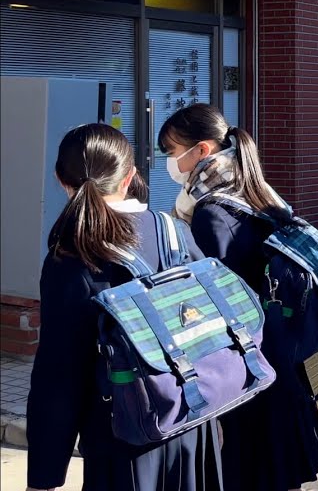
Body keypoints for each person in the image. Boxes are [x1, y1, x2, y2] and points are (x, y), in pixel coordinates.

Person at [27, 123, 223, 491]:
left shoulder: (72, 256)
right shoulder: (172, 231)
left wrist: (44, 476)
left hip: (124, 440)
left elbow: (59, 376)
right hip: (193, 424)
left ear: (59, 179)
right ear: (130, 176)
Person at [159, 104, 318, 491]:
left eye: (172, 152)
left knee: (248, 471)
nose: (170, 162)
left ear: (201, 151)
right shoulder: (253, 189)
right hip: (279, 356)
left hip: (246, 368)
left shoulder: (211, 212)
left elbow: (217, 300)